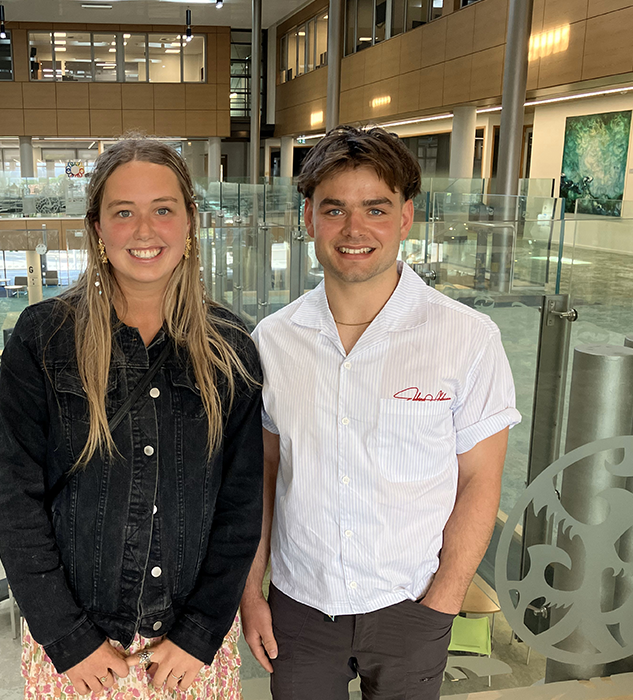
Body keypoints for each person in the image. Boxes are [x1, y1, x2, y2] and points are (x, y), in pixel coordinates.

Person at [240, 125, 520, 699]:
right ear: (308, 219)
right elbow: (262, 478)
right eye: (334, 208)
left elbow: (479, 480)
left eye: (375, 208)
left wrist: (442, 601)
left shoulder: (466, 338)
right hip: (300, 607)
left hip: (410, 606)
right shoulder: (274, 339)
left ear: (405, 217)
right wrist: (251, 592)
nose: (354, 229)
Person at [0, 137, 263, 699]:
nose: (145, 231)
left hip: (188, 657)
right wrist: (67, 636)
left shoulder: (230, 347)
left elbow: (240, 506)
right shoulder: (43, 339)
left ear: (190, 224)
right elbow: (15, 500)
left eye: (163, 209)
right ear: (96, 228)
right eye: (124, 212)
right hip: (81, 656)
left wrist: (200, 631)